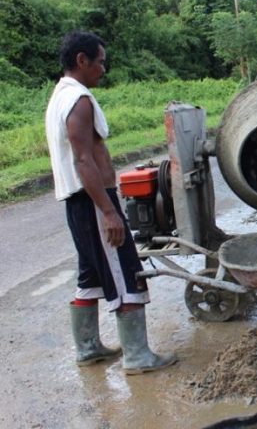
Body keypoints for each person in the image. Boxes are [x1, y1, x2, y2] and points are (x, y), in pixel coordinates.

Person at [45, 31, 177, 374]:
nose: (104, 69)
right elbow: (84, 161)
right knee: (125, 274)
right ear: (82, 61)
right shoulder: (79, 100)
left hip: (79, 204)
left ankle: (88, 348)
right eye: (100, 62)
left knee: (90, 277)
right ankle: (137, 356)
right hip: (92, 202)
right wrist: (108, 211)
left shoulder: (59, 95)